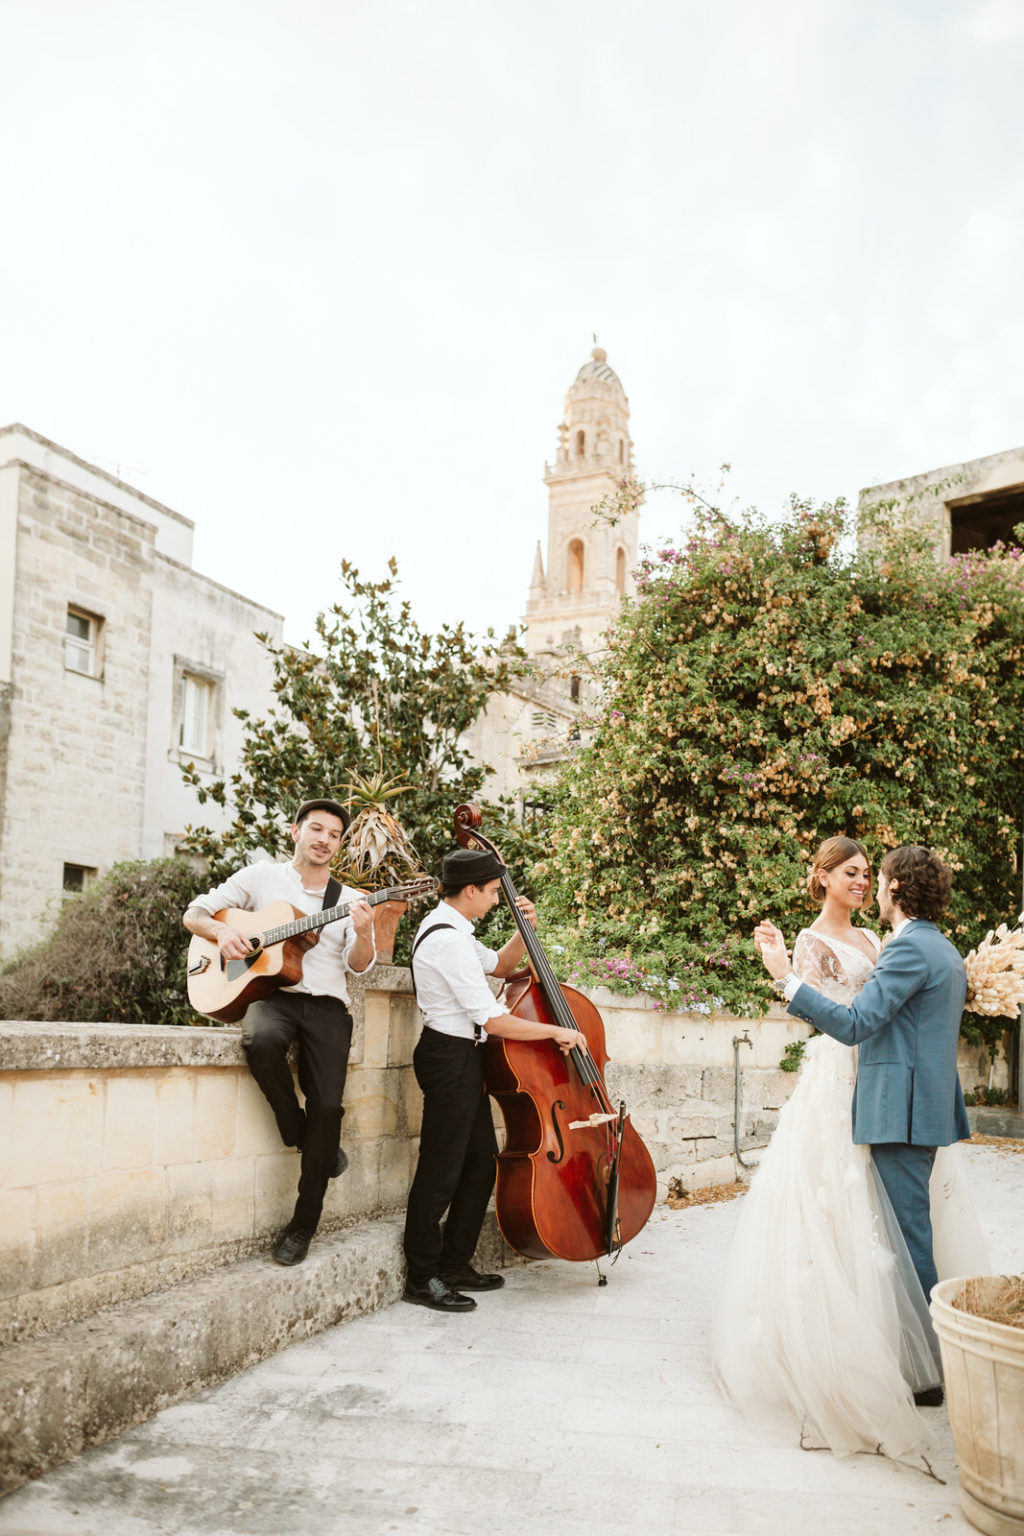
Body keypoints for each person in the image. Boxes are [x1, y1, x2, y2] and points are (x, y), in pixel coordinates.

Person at [712, 838, 987, 1459]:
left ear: (893, 889)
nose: (867, 883)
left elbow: (864, 1019)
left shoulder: (899, 945)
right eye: (853, 873)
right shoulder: (906, 944)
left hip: (890, 1099)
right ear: (825, 878)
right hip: (855, 1087)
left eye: (874, 875)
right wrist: (792, 967)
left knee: (904, 1233)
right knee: (871, 1228)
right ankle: (892, 1349)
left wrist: (782, 979)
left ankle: (924, 1364)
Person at [184, 798, 375, 1267]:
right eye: (316, 829)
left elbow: (359, 967)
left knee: (328, 1107)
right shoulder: (261, 877)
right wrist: (221, 934)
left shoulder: (349, 900)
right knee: (261, 1041)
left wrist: (365, 932)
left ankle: (303, 1225)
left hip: (328, 1006)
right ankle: (301, 1134)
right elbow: (195, 913)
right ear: (295, 832)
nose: (324, 839)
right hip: (272, 996)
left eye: (334, 834)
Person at [402, 847, 585, 1314]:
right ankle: (422, 1278)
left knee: (480, 1164)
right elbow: (493, 1018)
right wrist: (556, 1031)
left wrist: (526, 932)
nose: (495, 901)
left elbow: (501, 966)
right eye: (491, 893)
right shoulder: (446, 941)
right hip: (448, 1057)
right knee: (440, 1171)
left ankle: (454, 1263)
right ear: (469, 891)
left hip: (464, 1056)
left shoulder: (458, 931)